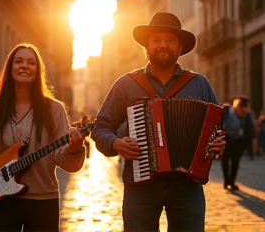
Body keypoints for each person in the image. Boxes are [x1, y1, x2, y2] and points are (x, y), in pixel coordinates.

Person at [91, 12, 226, 232]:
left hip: (187, 186)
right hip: (140, 187)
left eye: (170, 40)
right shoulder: (126, 84)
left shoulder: (199, 84)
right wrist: (115, 143)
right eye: (156, 39)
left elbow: (217, 128)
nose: (163, 45)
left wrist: (218, 143)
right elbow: (101, 126)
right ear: (146, 46)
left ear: (180, 48)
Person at [0, 43, 86, 231]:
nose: (24, 66)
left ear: (38, 71)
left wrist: (74, 149)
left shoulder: (54, 110)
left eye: (31, 62)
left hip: (43, 201)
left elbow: (67, 163)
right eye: (18, 61)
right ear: (9, 68)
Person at [221, 96, 255, 190]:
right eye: (242, 108)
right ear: (238, 107)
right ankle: (226, 180)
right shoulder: (229, 113)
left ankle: (231, 182)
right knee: (225, 160)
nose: (243, 110)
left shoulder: (247, 115)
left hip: (239, 141)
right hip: (228, 140)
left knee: (235, 162)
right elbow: (223, 125)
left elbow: (250, 127)